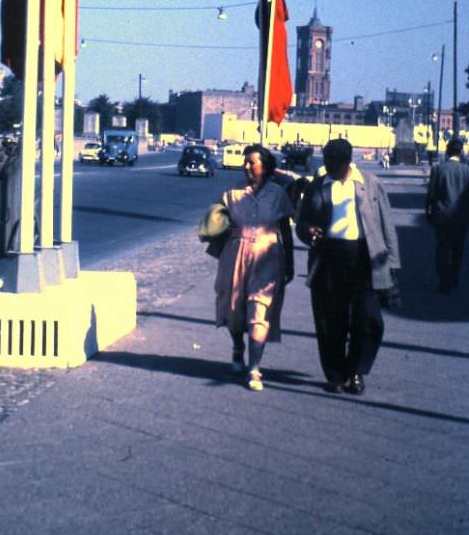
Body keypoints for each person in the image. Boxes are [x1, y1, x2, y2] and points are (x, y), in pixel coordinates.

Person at [296, 138, 400, 395]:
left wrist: (393, 262)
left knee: (368, 320)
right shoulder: (318, 186)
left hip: (364, 258)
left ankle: (356, 371)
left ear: (347, 163)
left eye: (332, 163)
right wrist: (308, 231)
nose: (327, 167)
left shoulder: (370, 183)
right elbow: (302, 221)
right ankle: (335, 374)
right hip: (328, 259)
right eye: (326, 161)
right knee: (330, 321)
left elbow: (386, 223)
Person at [200, 144, 294, 392]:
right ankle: (237, 347)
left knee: (259, 309)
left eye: (252, 162)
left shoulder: (277, 194)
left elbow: (285, 229)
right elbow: (214, 222)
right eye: (245, 162)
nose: (246, 166)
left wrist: (290, 263)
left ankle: (254, 368)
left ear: (266, 165)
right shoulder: (230, 193)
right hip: (235, 254)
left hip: (268, 256)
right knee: (233, 308)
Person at [425, 136, 469, 293]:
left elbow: (431, 193)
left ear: (447, 151)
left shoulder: (438, 169)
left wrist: (428, 211)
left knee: (442, 249)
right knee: (458, 249)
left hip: (442, 216)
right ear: (461, 152)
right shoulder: (467, 170)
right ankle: (454, 277)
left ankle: (444, 281)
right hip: (462, 217)